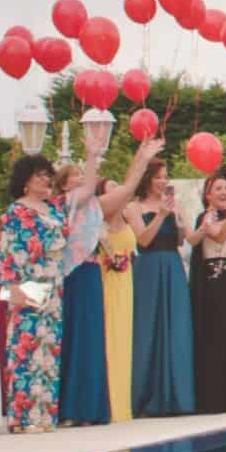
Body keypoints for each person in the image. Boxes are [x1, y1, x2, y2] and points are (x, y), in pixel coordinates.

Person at [56, 142, 139, 427]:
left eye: (83, 175)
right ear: (64, 185)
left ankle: (88, 408)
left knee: (89, 340)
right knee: (67, 339)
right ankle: (65, 408)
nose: (82, 179)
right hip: (66, 276)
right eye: (76, 176)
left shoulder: (95, 208)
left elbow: (127, 189)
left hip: (89, 275)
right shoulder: (58, 209)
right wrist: (91, 156)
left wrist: (141, 156)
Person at [0, 153, 67, 434]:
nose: (45, 179)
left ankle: (45, 414)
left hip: (54, 282)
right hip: (27, 280)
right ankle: (22, 416)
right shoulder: (16, 211)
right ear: (25, 180)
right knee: (25, 347)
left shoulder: (54, 210)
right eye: (39, 174)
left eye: (48, 174)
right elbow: (8, 249)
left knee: (49, 346)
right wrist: (11, 286)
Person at [127, 170, 196, 416]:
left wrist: (186, 220)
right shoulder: (133, 208)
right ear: (146, 179)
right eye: (158, 177)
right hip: (148, 267)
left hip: (173, 267)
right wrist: (161, 216)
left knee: (175, 328)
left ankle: (176, 397)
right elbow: (143, 240)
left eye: (165, 177)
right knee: (148, 329)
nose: (163, 181)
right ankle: (144, 397)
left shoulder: (174, 206)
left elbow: (190, 240)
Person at [188, 171, 226, 414]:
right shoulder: (207, 217)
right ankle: (213, 397)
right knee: (216, 336)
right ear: (208, 195)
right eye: (218, 188)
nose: (224, 192)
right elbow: (218, 237)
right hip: (214, 281)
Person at [97, 176, 139, 424]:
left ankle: (123, 403)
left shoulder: (127, 219)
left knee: (123, 340)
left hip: (126, 284)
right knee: (108, 339)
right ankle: (108, 402)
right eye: (111, 188)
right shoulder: (99, 224)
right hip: (106, 282)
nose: (118, 192)